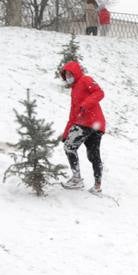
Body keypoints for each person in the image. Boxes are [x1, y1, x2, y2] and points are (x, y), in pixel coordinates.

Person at [57, 60, 105, 193]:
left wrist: (86, 104)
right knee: (93, 155)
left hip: (90, 123)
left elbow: (99, 93)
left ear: (75, 72)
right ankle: (97, 186)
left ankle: (77, 179)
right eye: (65, 75)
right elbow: (72, 116)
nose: (68, 77)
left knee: (70, 147)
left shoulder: (85, 80)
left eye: (69, 74)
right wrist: (66, 133)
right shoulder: (73, 91)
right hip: (91, 124)